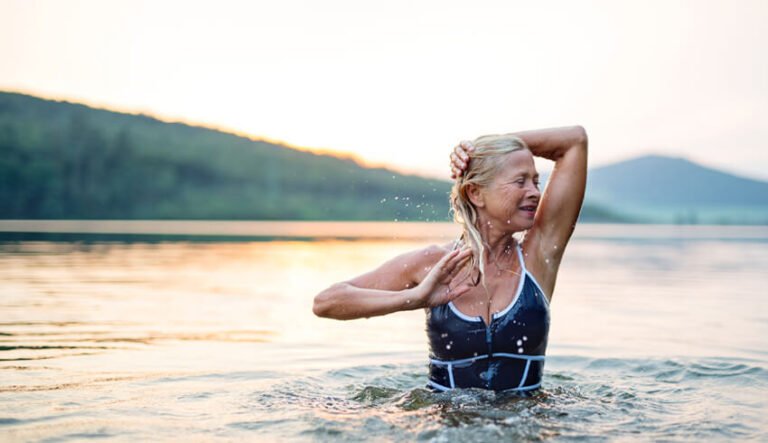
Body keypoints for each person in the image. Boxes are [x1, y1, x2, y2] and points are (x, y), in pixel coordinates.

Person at [313, 126, 587, 393]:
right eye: (520, 181)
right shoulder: (432, 263)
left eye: (536, 181)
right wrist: (416, 298)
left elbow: (574, 141)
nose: (535, 193)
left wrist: (484, 147)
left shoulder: (539, 256)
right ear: (475, 193)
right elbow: (326, 302)